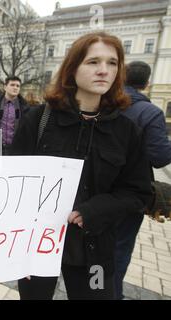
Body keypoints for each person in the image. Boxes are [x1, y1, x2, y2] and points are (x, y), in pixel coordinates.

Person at [11, 32, 152, 300]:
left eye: (112, 63)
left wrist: (96, 209)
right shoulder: (38, 119)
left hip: (95, 249)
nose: (103, 70)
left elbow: (138, 192)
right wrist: (18, 250)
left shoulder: (126, 131)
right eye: (93, 62)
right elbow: (13, 183)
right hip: (37, 247)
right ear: (72, 68)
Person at [114, 61, 171, 300]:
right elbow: (160, 157)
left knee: (95, 249)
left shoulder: (105, 104)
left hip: (96, 191)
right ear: (147, 83)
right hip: (131, 195)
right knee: (118, 252)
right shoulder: (150, 112)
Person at [0, 76, 29, 154]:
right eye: (12, 85)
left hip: (16, 148)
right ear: (5, 87)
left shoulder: (24, 106)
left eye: (18, 86)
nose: (15, 88)